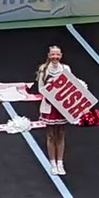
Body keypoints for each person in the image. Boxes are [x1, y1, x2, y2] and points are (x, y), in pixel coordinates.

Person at [35, 46, 72, 175]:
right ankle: (52, 163)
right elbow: (40, 88)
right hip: (49, 106)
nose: (55, 57)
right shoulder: (43, 70)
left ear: (61, 55)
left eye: (57, 55)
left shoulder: (66, 69)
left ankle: (60, 163)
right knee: (51, 135)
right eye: (52, 55)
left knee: (61, 134)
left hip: (62, 107)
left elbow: (71, 85)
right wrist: (52, 93)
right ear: (49, 55)